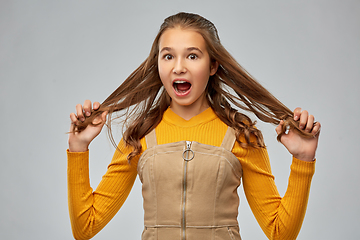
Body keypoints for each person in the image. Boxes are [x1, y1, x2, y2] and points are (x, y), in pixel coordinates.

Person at [67, 12, 321, 240]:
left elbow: (280, 233)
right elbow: (85, 227)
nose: (179, 67)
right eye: (168, 56)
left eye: (192, 56)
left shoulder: (241, 134)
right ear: (158, 64)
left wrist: (303, 159)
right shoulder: (139, 135)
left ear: (212, 65)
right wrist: (78, 148)